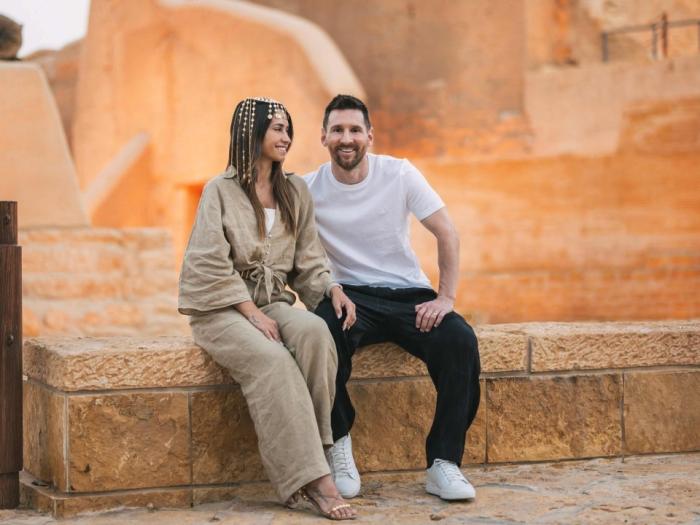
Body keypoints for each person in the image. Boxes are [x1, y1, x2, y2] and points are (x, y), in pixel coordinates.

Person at [179, 97, 357, 520]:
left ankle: (318, 453)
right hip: (222, 310)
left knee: (316, 334)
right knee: (274, 361)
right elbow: (207, 263)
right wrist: (251, 313)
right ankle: (315, 481)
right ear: (252, 132)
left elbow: (309, 259)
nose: (286, 137)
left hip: (273, 301)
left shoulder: (294, 190)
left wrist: (331, 288)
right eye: (277, 128)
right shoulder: (219, 190)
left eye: (288, 129)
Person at [305, 95, 481, 502]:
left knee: (460, 341)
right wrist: (329, 289)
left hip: (408, 294)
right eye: (337, 130)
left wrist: (446, 297)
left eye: (354, 130)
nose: (346, 138)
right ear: (323, 137)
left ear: (369, 136)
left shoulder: (399, 173)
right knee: (319, 334)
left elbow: (447, 232)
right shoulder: (308, 189)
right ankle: (339, 444)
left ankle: (444, 463)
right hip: (349, 297)